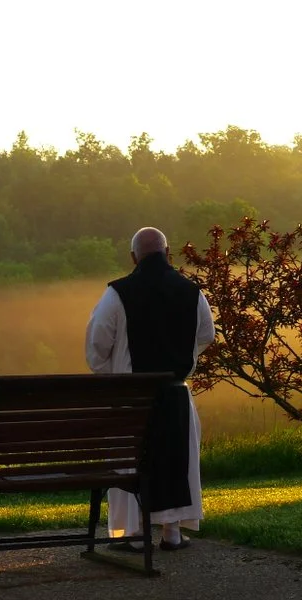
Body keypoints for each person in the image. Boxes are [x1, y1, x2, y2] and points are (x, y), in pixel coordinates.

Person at [84, 227, 215, 551]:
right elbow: (206, 334)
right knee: (174, 460)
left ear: (133, 257)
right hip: (175, 393)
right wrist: (185, 360)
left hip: (132, 397)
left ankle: (132, 534)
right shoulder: (192, 291)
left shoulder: (118, 293)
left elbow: (96, 344)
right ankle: (171, 533)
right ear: (168, 254)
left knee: (131, 463)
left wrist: (113, 373)